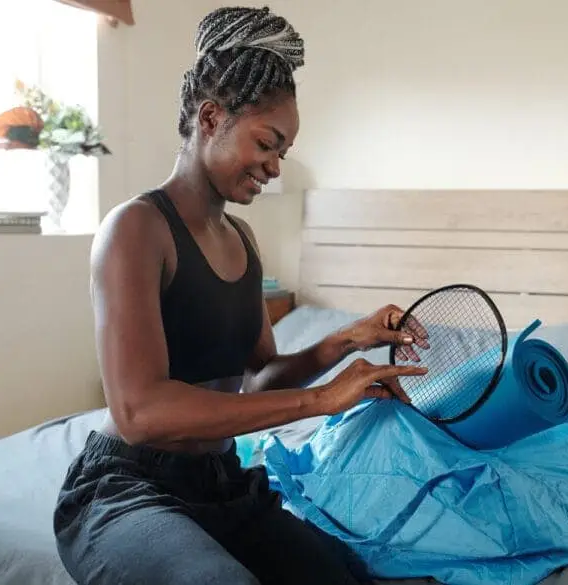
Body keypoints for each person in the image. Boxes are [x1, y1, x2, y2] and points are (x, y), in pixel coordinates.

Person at [52, 6, 428, 585]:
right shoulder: (136, 229)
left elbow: (258, 378)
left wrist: (347, 341)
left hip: (221, 484)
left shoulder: (243, 241)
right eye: (268, 144)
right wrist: (321, 400)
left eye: (284, 151)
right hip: (128, 489)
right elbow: (141, 412)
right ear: (210, 118)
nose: (276, 167)